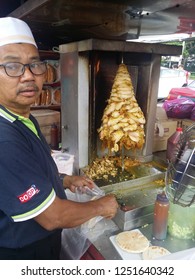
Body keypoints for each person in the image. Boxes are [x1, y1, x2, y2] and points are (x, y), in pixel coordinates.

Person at [0, 17, 118, 260]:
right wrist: (101, 206)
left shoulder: (22, 117)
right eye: (12, 66)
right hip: (21, 254)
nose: (28, 76)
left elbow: (32, 167)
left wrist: (64, 180)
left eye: (34, 65)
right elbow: (52, 216)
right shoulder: (4, 138)